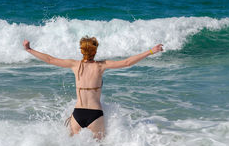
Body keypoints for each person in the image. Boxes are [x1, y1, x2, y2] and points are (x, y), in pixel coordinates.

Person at [23, 36, 163, 140]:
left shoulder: (74, 65)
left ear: (81, 50)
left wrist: (29, 49)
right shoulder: (101, 66)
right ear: (95, 51)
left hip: (77, 114)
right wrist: (150, 51)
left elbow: (50, 59)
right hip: (95, 115)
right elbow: (127, 63)